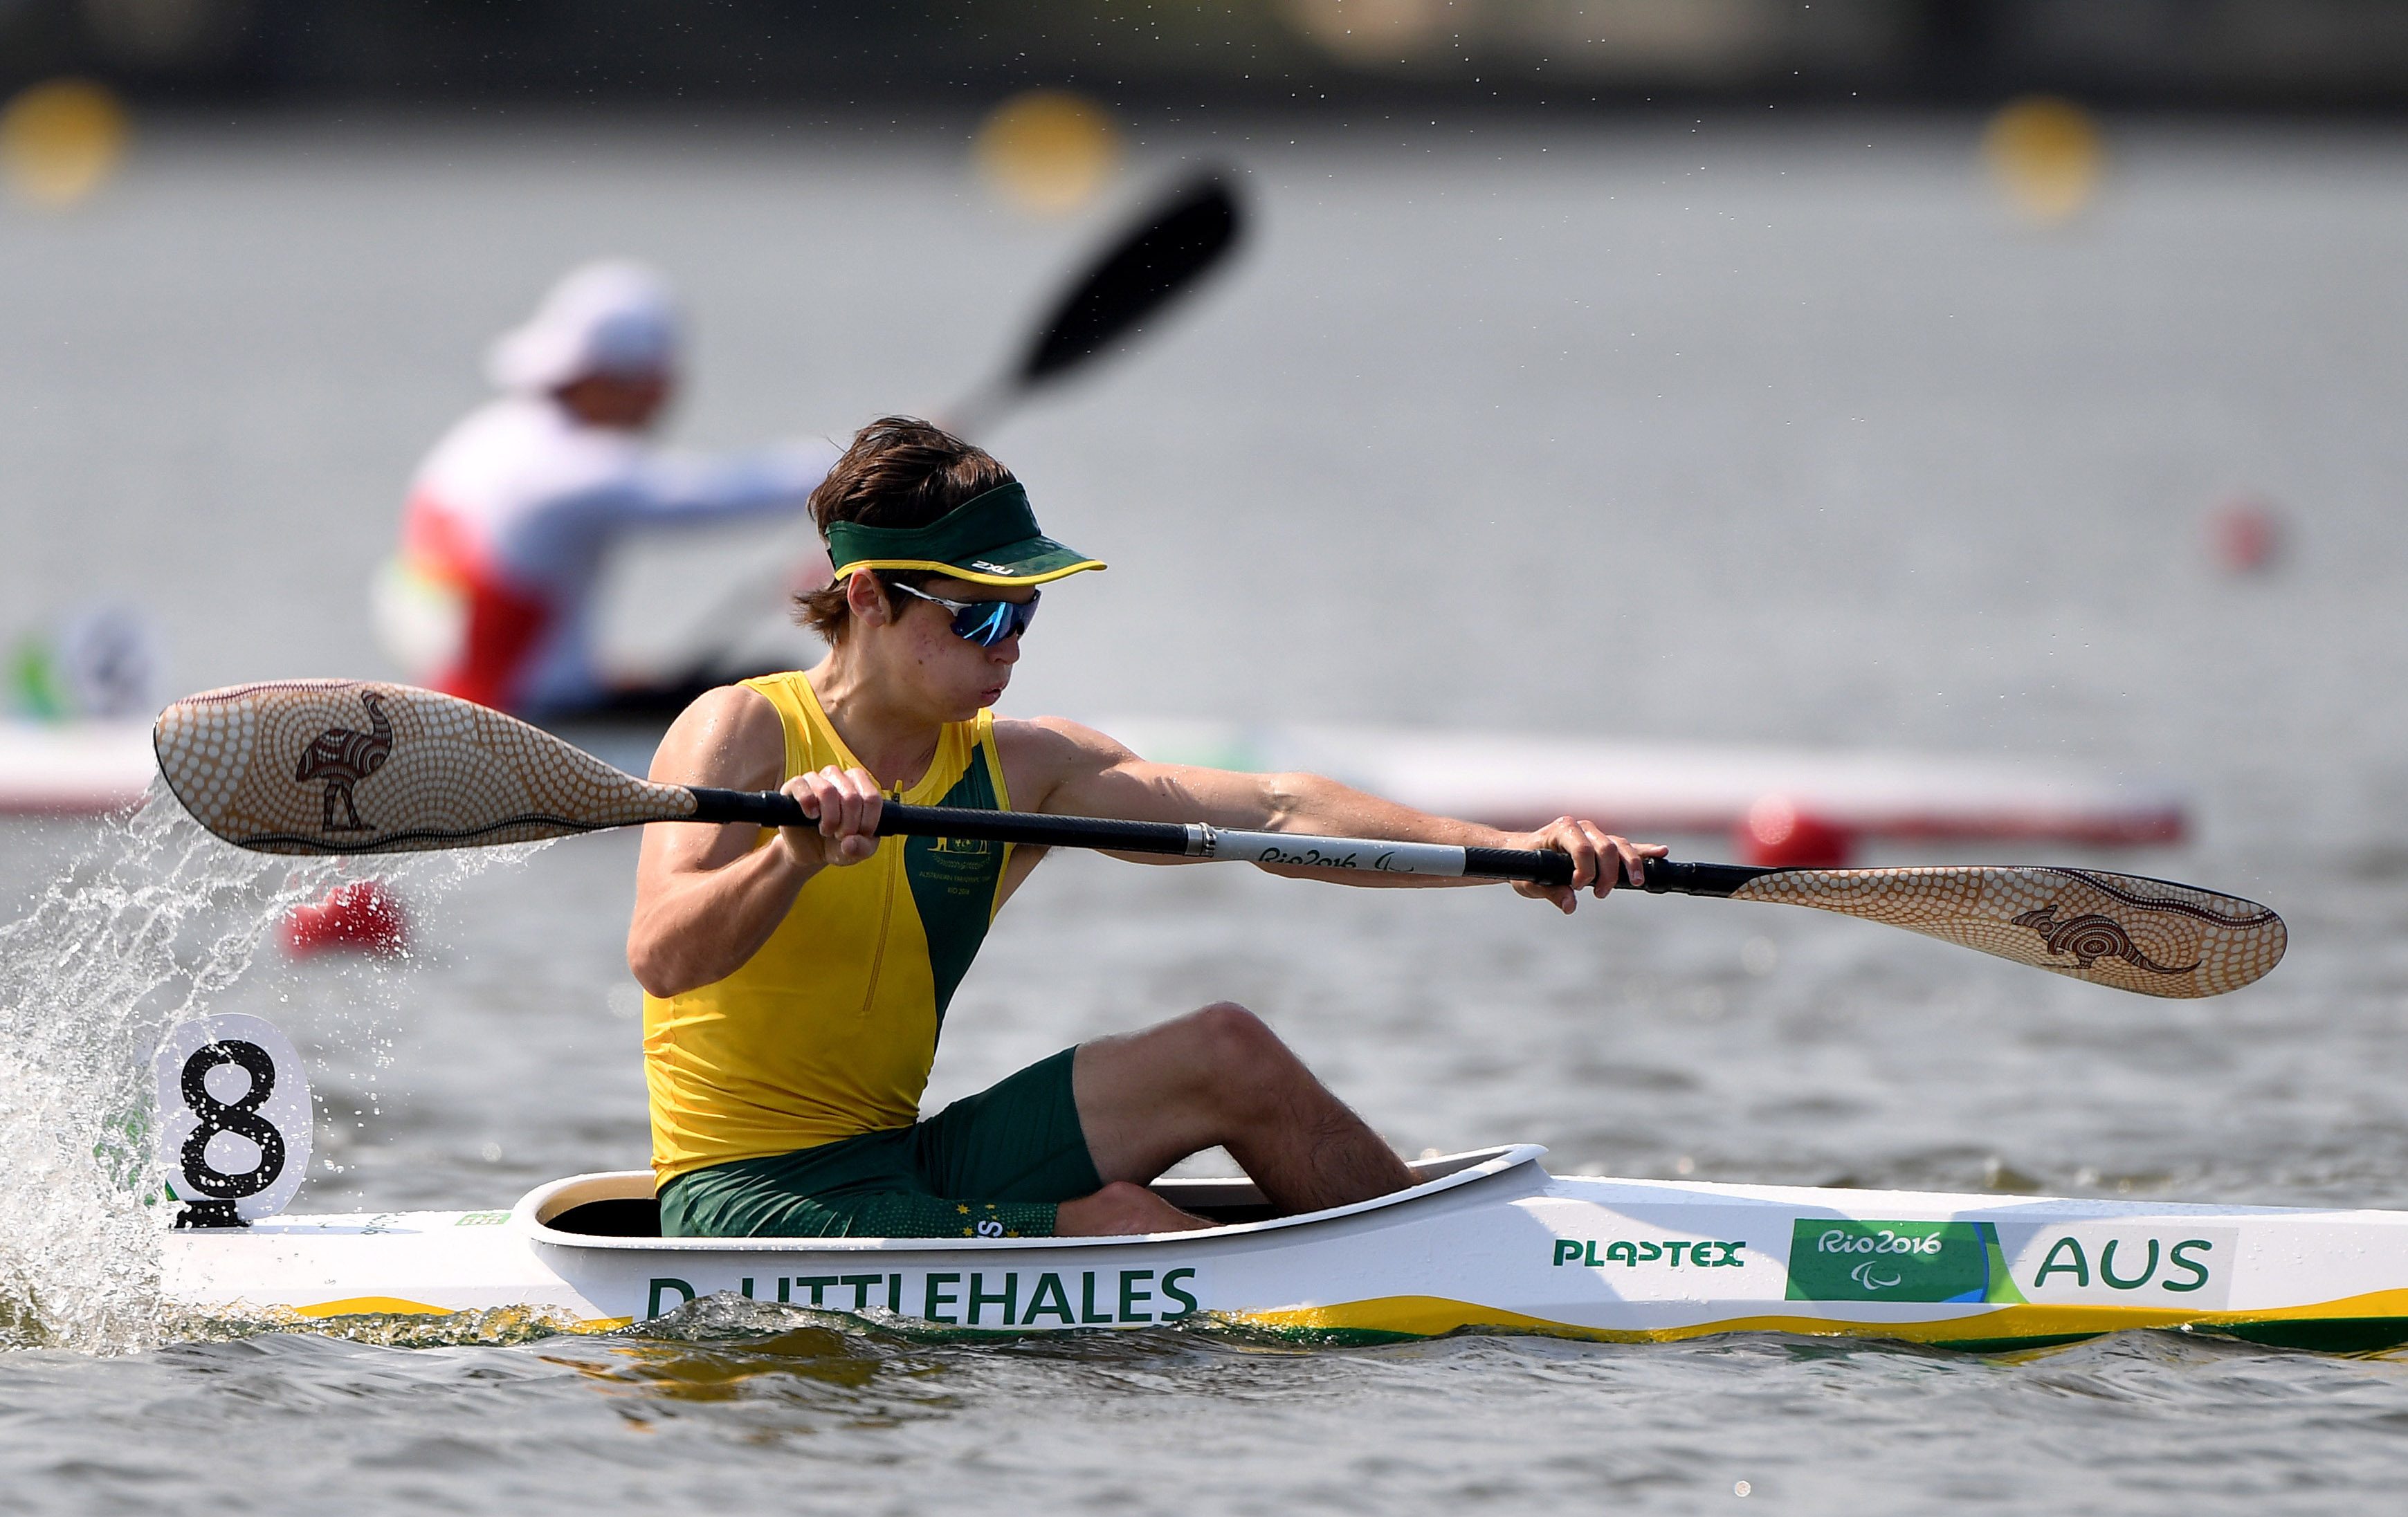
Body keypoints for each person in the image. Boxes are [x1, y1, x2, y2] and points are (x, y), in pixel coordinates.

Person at [626, 416, 1663, 1239]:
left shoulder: (1022, 769)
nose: (1010, 647)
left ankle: (1435, 1266)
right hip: (747, 1195)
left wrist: (1511, 851)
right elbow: (663, 956)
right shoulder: (742, 730)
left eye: (1027, 612)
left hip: (900, 1158)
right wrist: (792, 856)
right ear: (866, 599)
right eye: (979, 615)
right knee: (1122, 1223)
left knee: (1228, 1049)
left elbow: (1279, 810)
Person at [374, 261, 839, 717]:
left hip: (463, 699)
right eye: (654, 387)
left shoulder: (481, 438)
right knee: (776, 693)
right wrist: (856, 463)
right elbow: (717, 493)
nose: (661, 406)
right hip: (533, 714)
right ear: (603, 380)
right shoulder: (572, 472)